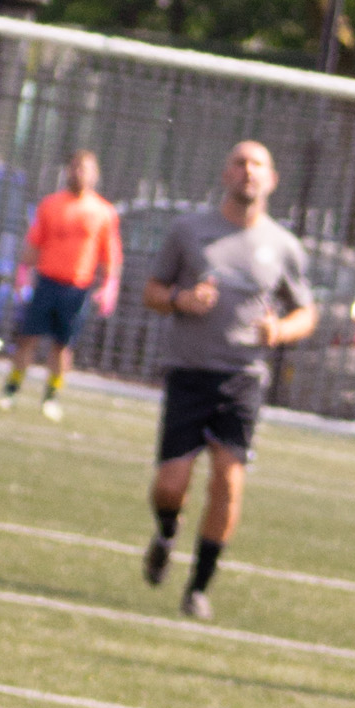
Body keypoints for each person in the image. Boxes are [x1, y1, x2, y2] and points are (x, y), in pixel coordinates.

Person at [140, 142, 317, 621]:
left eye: (258, 165)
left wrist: (280, 330)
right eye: (240, 163)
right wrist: (180, 300)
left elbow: (306, 313)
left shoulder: (283, 245)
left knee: (228, 482)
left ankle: (198, 588)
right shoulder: (189, 231)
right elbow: (152, 291)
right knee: (170, 485)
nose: (248, 172)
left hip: (243, 379)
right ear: (225, 173)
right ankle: (166, 533)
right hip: (189, 372)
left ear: (272, 179)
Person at [0, 150, 122, 422]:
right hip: (47, 282)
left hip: (77, 288)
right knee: (27, 338)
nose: (78, 173)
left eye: (84, 168)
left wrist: (109, 287)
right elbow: (34, 242)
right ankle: (11, 389)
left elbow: (110, 255)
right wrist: (22, 274)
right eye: (74, 167)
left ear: (95, 174)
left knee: (62, 346)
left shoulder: (103, 211)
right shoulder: (50, 204)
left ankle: (51, 397)